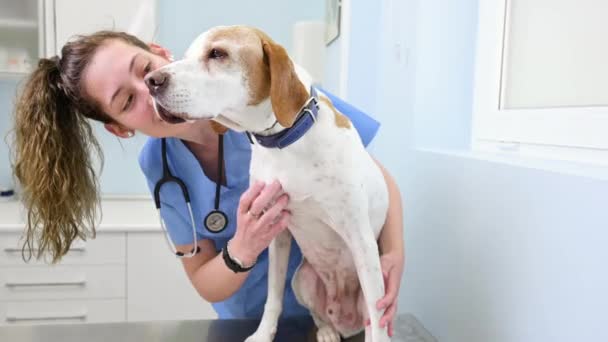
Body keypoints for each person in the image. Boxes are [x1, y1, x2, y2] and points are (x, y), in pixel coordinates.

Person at [11, 30, 405, 336]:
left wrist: (394, 251)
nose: (149, 92)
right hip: (249, 324)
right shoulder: (161, 167)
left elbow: (373, 175)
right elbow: (204, 281)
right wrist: (243, 246)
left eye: (143, 68)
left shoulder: (269, 96)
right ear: (120, 129)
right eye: (127, 102)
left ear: (161, 53)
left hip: (341, 307)